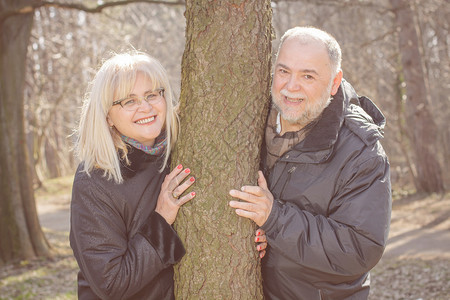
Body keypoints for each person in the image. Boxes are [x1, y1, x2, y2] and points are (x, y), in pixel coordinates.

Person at [229, 26, 391, 299]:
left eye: (308, 76)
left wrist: (274, 219)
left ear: (335, 82)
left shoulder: (362, 153)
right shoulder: (248, 119)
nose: (291, 86)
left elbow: (360, 248)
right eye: (284, 71)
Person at [70, 51, 196, 299]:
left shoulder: (180, 148)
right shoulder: (93, 181)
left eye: (152, 95)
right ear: (107, 115)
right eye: (129, 101)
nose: (146, 107)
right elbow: (111, 283)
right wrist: (161, 219)